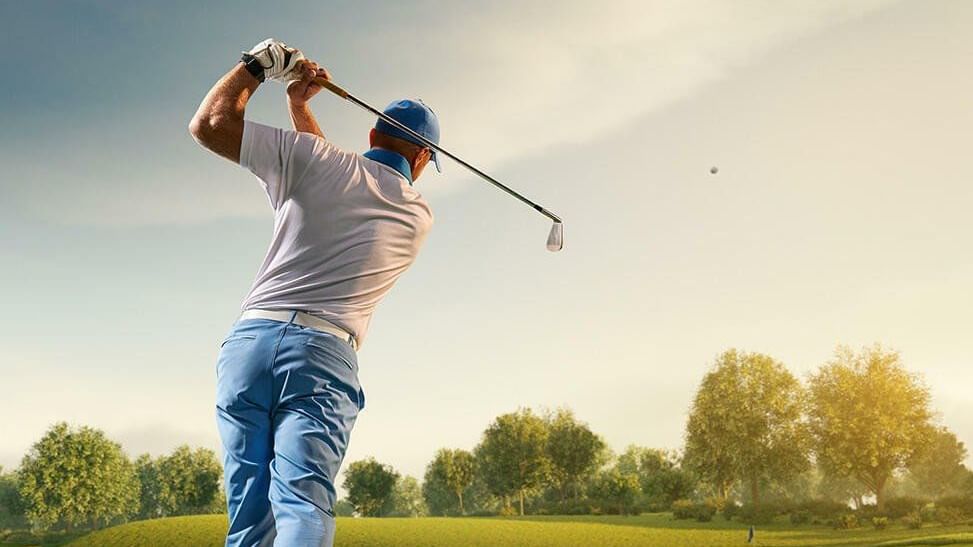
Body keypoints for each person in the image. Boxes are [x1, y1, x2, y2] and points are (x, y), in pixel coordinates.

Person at [188, 38, 437, 546]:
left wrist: (261, 69)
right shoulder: (417, 215)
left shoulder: (312, 161)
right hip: (322, 356)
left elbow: (210, 125)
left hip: (249, 346)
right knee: (301, 503)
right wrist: (300, 112)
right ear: (424, 158)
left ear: (372, 132)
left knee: (249, 513)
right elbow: (337, 178)